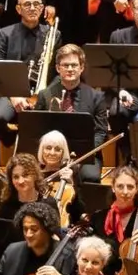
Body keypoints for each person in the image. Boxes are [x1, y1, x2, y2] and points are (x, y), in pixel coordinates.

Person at [0, 0, 52, 149]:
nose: (32, 8)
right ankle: (14, 141)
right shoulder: (5, 33)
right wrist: (13, 96)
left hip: (41, 94)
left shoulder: (52, 34)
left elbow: (56, 72)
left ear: (42, 8)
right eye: (27, 4)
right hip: (11, 92)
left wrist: (42, 96)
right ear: (18, 9)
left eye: (36, 4)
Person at [34, 44, 109, 181]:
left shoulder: (96, 97)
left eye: (74, 65)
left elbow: (101, 132)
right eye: (65, 65)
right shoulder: (45, 95)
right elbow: (37, 129)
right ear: (58, 68)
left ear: (81, 68)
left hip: (84, 155)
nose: (70, 69)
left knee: (90, 177)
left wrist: (85, 153)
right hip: (51, 153)